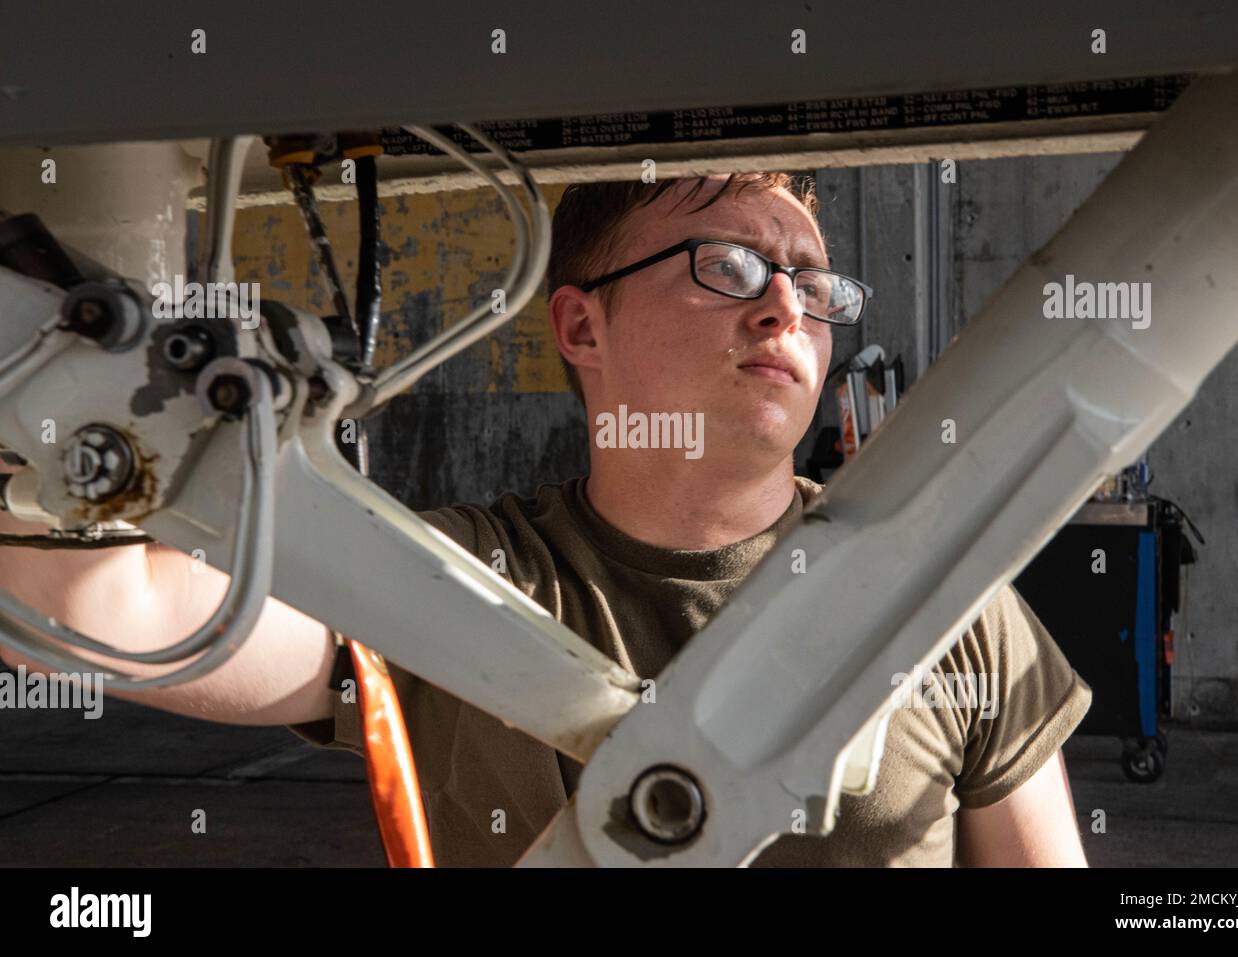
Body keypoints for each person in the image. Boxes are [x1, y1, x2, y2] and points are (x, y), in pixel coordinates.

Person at [0, 171, 1091, 867]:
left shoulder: (947, 600)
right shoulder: (456, 577)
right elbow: (109, 607)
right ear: (579, 324)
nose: (783, 309)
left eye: (811, 281)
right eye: (730, 265)